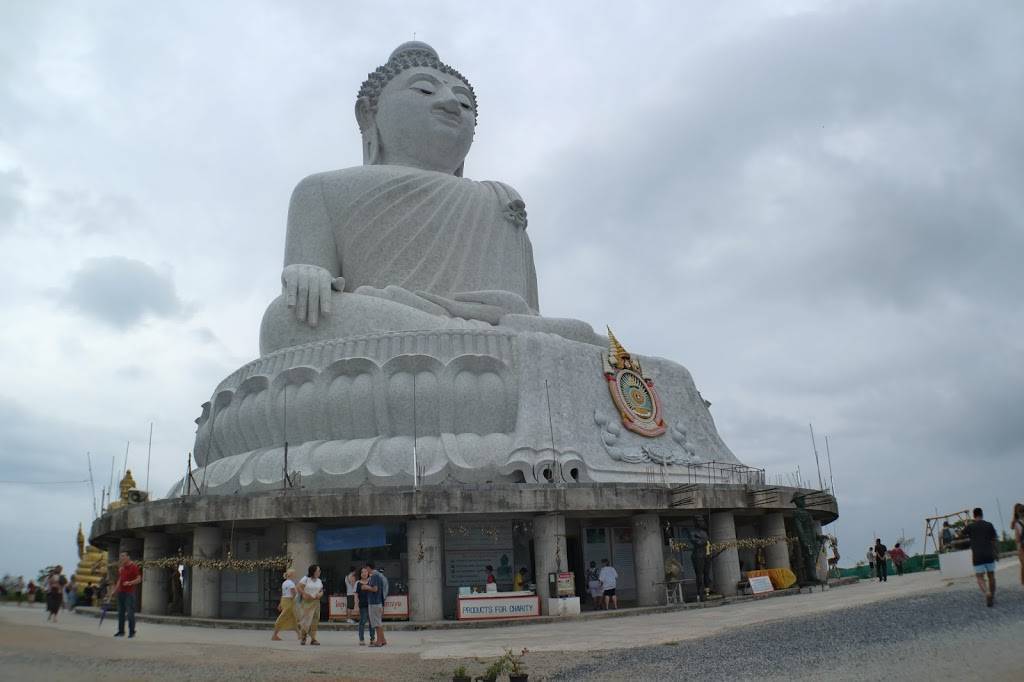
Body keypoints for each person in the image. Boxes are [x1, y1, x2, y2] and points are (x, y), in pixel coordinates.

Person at [963, 507, 999, 607]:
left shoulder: (970, 526)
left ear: (974, 516)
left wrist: (966, 525)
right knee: (991, 576)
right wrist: (996, 553)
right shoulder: (989, 525)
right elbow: (994, 540)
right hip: (989, 554)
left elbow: (961, 534)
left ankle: (987, 592)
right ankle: (992, 596)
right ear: (982, 514)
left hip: (977, 555)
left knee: (979, 577)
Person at [113, 552, 141, 638]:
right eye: (121, 557)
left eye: (123, 556)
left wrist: (130, 583)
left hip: (129, 593)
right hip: (121, 592)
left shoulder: (134, 567)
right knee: (120, 613)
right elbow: (120, 580)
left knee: (130, 613)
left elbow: (139, 579)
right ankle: (121, 631)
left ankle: (132, 632)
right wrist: (115, 590)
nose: (121, 558)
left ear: (128, 557)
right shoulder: (122, 568)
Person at [296, 564, 324, 645]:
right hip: (307, 602)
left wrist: (320, 594)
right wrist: (304, 594)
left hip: (316, 602)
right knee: (306, 620)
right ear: (313, 571)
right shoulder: (306, 579)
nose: (319, 572)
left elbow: (321, 590)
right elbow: (299, 587)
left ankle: (313, 638)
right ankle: (303, 637)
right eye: (318, 570)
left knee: (315, 620)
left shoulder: (319, 580)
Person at [271, 568, 299, 641]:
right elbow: (294, 593)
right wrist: (293, 601)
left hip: (284, 601)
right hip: (289, 602)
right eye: (294, 574)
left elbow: (283, 594)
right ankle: (274, 635)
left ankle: (299, 635)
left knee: (293, 618)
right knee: (283, 618)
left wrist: (280, 604)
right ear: (291, 575)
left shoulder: (284, 583)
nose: (295, 575)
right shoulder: (291, 583)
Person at [364, 561, 388, 647]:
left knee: (377, 623)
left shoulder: (374, 576)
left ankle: (379, 641)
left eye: (366, 568)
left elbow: (375, 589)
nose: (366, 570)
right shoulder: (379, 576)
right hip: (378, 602)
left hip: (374, 602)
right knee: (379, 622)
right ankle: (383, 639)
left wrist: (366, 587)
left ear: (369, 568)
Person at [355, 566, 375, 646]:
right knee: (362, 622)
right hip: (362, 605)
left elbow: (375, 590)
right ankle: (361, 639)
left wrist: (368, 587)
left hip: (371, 605)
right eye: (362, 572)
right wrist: (356, 606)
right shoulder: (358, 583)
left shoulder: (371, 581)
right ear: (360, 574)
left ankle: (372, 639)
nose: (364, 573)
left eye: (366, 572)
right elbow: (356, 595)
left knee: (372, 622)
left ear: (368, 573)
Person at [1011, 502, 1024, 586]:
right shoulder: (1016, 523)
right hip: (1021, 547)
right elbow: (1017, 538)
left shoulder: (1016, 523)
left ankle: (1023, 583)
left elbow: (1017, 539)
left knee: (1023, 566)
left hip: (1021, 546)